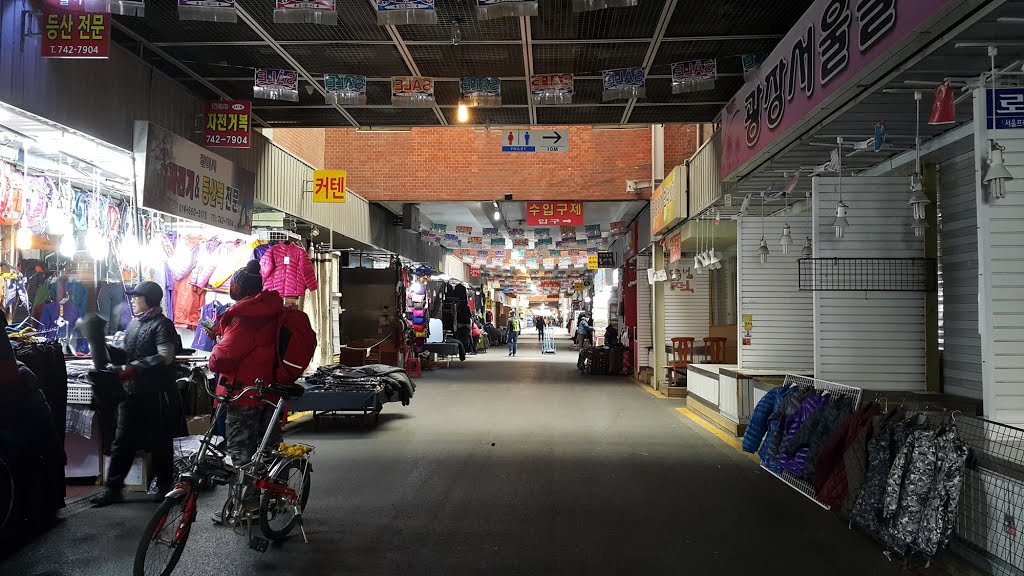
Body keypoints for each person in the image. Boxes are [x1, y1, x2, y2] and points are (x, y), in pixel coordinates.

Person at [91, 281, 178, 507]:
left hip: (155, 394)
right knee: (123, 441)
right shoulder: (133, 324)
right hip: (131, 394)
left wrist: (133, 368)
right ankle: (113, 489)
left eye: (137, 297)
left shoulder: (163, 325)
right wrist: (104, 348)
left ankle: (165, 486)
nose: (132, 300)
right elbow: (128, 355)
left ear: (149, 300)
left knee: (160, 442)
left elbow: (165, 356)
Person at [208, 260, 285, 467]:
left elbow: (221, 360)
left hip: (243, 392)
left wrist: (216, 346)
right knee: (268, 447)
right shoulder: (267, 311)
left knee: (242, 451)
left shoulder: (244, 318)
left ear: (240, 288)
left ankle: (248, 498)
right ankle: (275, 492)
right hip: (266, 390)